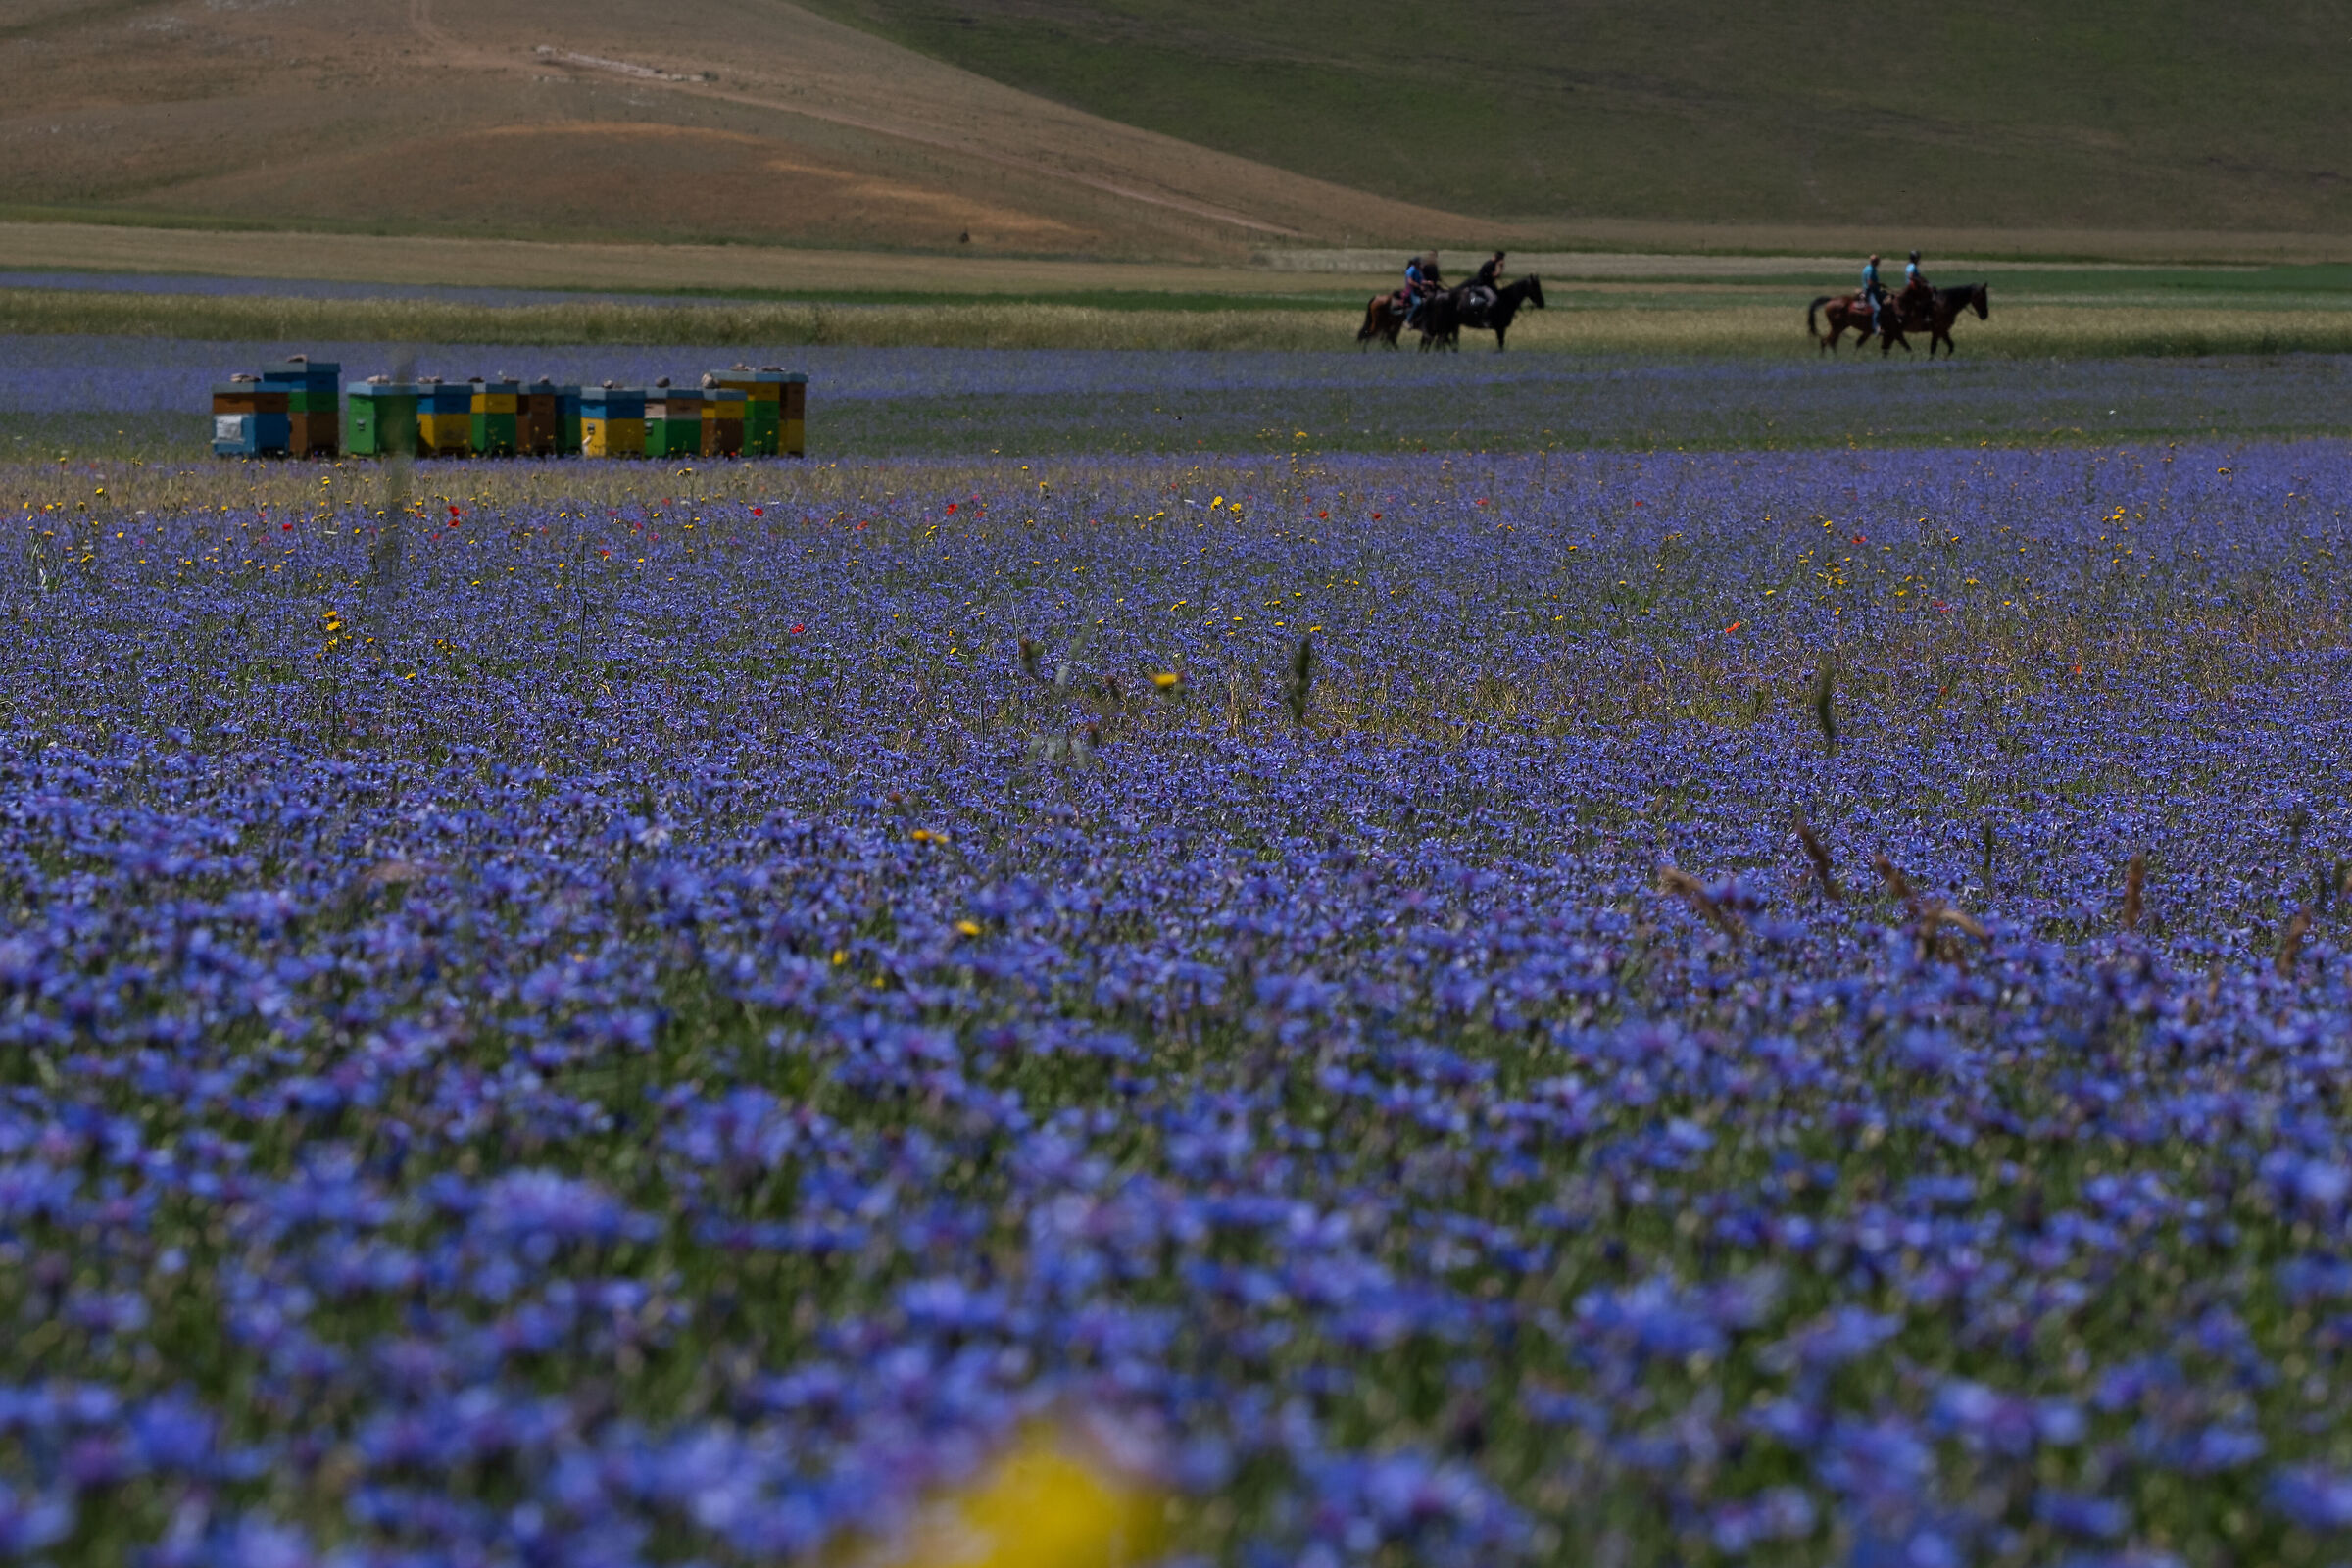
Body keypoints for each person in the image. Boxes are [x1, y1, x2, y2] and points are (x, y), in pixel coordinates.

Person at [1860, 252, 1886, 335]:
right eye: (1877, 261)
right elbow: (1870, 283)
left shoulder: (1869, 268)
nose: (1878, 262)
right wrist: (1880, 284)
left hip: (1874, 291)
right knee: (1877, 308)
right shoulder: (1871, 269)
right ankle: (1876, 328)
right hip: (1870, 292)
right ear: (1875, 261)